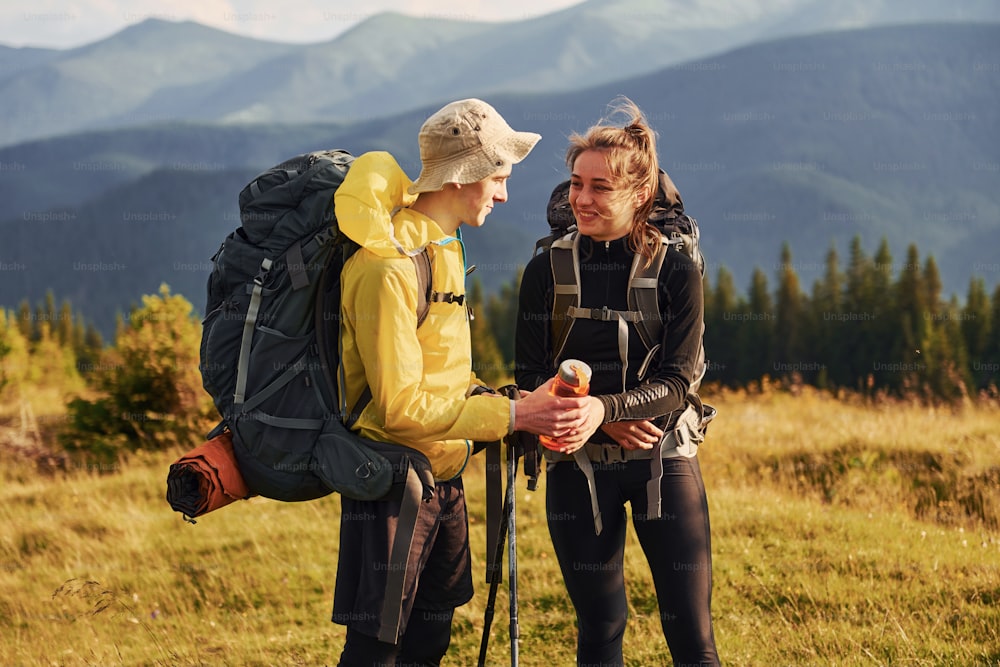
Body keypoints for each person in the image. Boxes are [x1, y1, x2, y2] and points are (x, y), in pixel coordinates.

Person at [331, 98, 594, 666]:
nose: (503, 193)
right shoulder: (388, 267)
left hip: (442, 478)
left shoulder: (442, 249)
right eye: (498, 177)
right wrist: (515, 418)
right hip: (391, 485)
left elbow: (442, 376)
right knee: (375, 652)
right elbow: (400, 406)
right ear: (464, 174)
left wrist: (506, 400)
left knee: (429, 642)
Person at [515, 98, 720, 666]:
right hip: (576, 468)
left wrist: (604, 410)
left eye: (600, 187)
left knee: (691, 636)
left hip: (662, 457)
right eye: (576, 184)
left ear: (639, 195)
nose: (582, 199)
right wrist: (603, 421)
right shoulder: (544, 271)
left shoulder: (678, 270)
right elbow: (528, 375)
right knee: (600, 628)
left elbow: (678, 381)